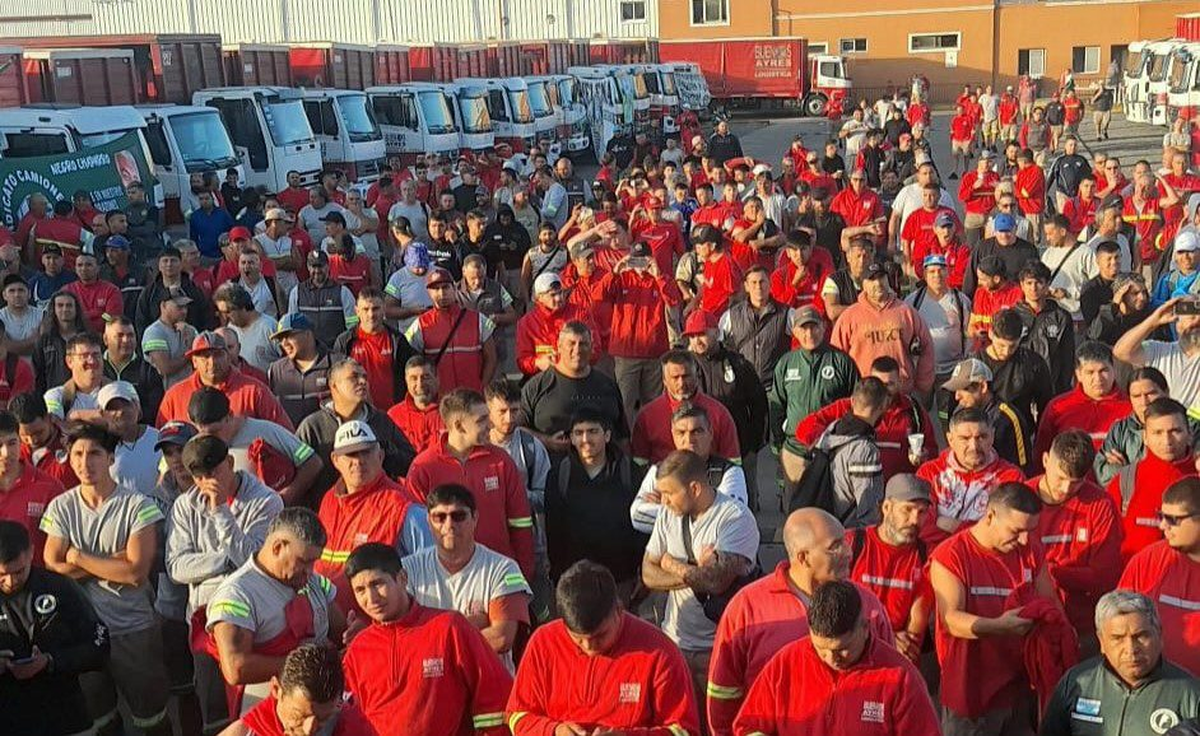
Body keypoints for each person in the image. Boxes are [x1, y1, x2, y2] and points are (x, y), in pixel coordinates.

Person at [705, 508, 893, 735]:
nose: (848, 553)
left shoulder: (868, 605)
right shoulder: (747, 607)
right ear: (803, 557)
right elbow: (722, 694)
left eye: (845, 542)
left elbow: (890, 677)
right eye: (835, 546)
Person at [41, 422, 172, 736]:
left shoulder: (137, 505)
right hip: (82, 631)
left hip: (133, 628)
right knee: (100, 720)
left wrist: (78, 557)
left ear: (111, 458)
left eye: (95, 454)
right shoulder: (61, 506)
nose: (86, 463)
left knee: (151, 719)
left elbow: (136, 571)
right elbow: (52, 563)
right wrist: (113, 561)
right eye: (78, 454)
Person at [166, 433, 283, 731]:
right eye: (201, 477)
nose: (209, 483)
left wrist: (220, 511)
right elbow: (177, 567)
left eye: (215, 472)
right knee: (214, 711)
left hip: (255, 621)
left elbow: (254, 560)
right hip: (205, 620)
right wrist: (223, 561)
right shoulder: (184, 505)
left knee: (254, 711)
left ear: (230, 462)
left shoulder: (266, 501)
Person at [507, 559, 699, 735]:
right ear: (563, 623)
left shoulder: (659, 652)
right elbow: (517, 717)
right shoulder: (544, 643)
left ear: (619, 609)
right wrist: (554, 731)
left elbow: (684, 730)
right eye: (578, 639)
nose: (590, 647)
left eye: (600, 636)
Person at [341, 543, 513, 736]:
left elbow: (496, 694)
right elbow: (345, 718)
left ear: (403, 578)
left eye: (377, 584)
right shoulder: (358, 649)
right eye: (360, 590)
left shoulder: (449, 628)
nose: (371, 598)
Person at [930, 483, 1060, 736]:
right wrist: (1000, 626)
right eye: (1016, 530)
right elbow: (951, 620)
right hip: (970, 697)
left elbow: (1051, 603)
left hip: (1018, 693)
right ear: (990, 516)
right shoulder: (952, 555)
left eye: (1030, 531)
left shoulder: (1030, 550)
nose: (1023, 539)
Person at [733, 579, 940, 736]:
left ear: (866, 628)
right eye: (821, 648)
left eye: (842, 648)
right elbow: (748, 726)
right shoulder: (785, 664)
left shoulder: (900, 678)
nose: (832, 658)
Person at [642, 450, 759, 724]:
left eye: (669, 493)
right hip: (677, 643)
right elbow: (647, 574)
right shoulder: (669, 514)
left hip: (720, 649)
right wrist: (696, 570)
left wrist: (671, 563)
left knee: (719, 724)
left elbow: (716, 582)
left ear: (694, 488)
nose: (664, 501)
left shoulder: (735, 518)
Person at [205, 508, 345, 715]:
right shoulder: (237, 594)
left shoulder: (313, 580)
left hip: (322, 708)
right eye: (303, 561)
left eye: (314, 561)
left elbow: (342, 633)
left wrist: (357, 635)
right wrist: (308, 667)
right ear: (278, 547)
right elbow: (236, 667)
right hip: (269, 710)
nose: (310, 570)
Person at [405, 388, 534, 580]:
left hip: (498, 574)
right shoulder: (423, 468)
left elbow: (521, 521)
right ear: (459, 425)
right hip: (445, 580)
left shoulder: (501, 460)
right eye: (481, 420)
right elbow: (415, 534)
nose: (490, 424)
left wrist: (523, 574)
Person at [403, 483, 530, 671]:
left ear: (475, 518)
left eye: (458, 516)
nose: (449, 525)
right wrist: (473, 624)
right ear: (429, 522)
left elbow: (501, 638)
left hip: (488, 686)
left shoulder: (504, 569)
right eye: (440, 517)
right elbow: (401, 636)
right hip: (431, 686)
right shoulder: (407, 569)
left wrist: (431, 636)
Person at [0, 520, 111, 736]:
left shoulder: (60, 587)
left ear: (32, 552)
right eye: (1, 575)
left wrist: (51, 661)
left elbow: (100, 645)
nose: (10, 581)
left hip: (65, 716)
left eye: (19, 572)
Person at [1040, 590, 1200, 736]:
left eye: (1141, 636)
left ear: (1159, 635)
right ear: (1101, 641)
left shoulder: (1190, 694)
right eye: (1118, 638)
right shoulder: (1077, 683)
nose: (1131, 649)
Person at [315, 420, 431, 613]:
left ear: (380, 455)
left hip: (378, 628)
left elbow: (427, 579)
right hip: (329, 626)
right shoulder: (329, 500)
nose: (359, 461)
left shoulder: (404, 507)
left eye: (366, 452)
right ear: (335, 460)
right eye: (351, 454)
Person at [1025, 430, 1122, 643]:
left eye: (1076, 482)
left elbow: (1104, 577)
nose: (1066, 488)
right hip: (1028, 622)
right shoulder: (1020, 499)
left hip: (1083, 624)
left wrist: (1050, 572)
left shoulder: (1100, 504)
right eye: (1060, 478)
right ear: (1045, 460)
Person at [295, 359, 416, 503]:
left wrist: (381, 450)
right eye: (354, 377)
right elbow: (295, 471)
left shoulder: (381, 421)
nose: (362, 381)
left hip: (377, 511)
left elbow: (410, 465)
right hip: (327, 513)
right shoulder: (313, 427)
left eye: (365, 377)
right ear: (334, 386)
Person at [847, 474, 936, 660]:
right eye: (908, 509)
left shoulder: (925, 557)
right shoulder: (852, 544)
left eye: (922, 512)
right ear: (887, 507)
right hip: (850, 654)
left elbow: (914, 637)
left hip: (896, 660)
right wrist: (885, 640)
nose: (914, 520)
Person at [1119, 476, 1200, 679]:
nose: (1163, 526)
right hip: (1157, 690)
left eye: (1173, 519)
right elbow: (1117, 623)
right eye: (1161, 515)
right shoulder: (1147, 561)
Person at [684, 310, 768, 504]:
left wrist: (754, 444)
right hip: (699, 451)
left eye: (702, 334)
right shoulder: (684, 368)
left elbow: (758, 404)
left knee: (742, 504)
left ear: (716, 332)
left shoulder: (738, 363)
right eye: (692, 336)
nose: (697, 340)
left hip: (739, 448)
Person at [917, 408, 1025, 547]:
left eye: (981, 437)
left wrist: (953, 525)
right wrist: (978, 530)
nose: (974, 446)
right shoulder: (929, 472)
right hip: (936, 560)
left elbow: (1005, 532)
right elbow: (921, 527)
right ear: (950, 439)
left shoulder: (1011, 477)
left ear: (992, 436)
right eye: (965, 438)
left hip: (986, 563)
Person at [218, 643, 376, 736]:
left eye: (323, 719)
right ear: (276, 689)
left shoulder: (354, 724)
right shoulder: (245, 733)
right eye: (299, 715)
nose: (309, 730)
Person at [1108, 398, 1194, 560]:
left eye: (1175, 431)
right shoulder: (1126, 480)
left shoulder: (1196, 477)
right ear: (1145, 438)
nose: (1167, 441)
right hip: (1135, 581)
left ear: (1189, 434)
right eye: (1158, 433)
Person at [832, 261, 935, 396]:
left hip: (900, 391)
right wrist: (841, 389)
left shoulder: (906, 312)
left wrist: (923, 382)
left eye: (881, 278)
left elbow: (926, 345)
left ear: (888, 280)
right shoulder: (849, 317)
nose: (878, 283)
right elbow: (836, 357)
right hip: (865, 394)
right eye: (871, 279)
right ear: (863, 284)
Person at [157, 331, 293, 429]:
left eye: (217, 355)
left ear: (228, 357)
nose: (212, 362)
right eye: (205, 356)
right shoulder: (174, 396)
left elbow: (285, 433)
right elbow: (161, 444)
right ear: (194, 362)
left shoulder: (254, 391)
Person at [631, 350, 741, 467]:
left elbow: (733, 463)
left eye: (686, 376)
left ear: (696, 376)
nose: (681, 383)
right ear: (664, 381)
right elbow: (639, 465)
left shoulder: (719, 414)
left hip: (709, 481)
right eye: (675, 377)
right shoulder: (647, 416)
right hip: (662, 482)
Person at [804, 377, 889, 526]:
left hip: (825, 522)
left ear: (852, 401)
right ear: (882, 406)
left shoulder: (832, 430)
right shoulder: (864, 449)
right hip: (849, 531)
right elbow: (867, 504)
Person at [1032, 342, 1131, 467]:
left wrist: (1129, 464)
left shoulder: (1131, 407)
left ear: (1114, 370)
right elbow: (1041, 453)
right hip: (1070, 483)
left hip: (1118, 481)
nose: (1098, 379)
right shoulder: (1058, 407)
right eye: (1090, 372)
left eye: (1104, 370)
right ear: (1079, 374)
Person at [404, 267, 496, 393]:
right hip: (439, 400)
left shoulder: (478, 320)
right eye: (436, 289)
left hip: (473, 397)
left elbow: (491, 357)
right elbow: (409, 363)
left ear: (454, 288)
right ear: (429, 292)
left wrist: (482, 387)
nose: (442, 293)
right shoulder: (420, 325)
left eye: (446, 287)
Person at [332, 288, 416, 412]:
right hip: (356, 415)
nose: (371, 314)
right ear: (357, 311)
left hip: (391, 415)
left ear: (383, 309)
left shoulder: (397, 340)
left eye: (376, 309)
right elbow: (335, 379)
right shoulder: (345, 341)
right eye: (365, 309)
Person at [974, 308, 1056, 428]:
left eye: (1012, 346)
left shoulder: (1033, 363)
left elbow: (1046, 405)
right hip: (983, 432)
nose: (1006, 352)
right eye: (1001, 345)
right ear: (991, 334)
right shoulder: (975, 365)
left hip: (1021, 433)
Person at [1115, 297, 1200, 410]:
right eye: (1192, 317)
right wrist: (1154, 321)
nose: (1197, 322)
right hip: (1164, 422)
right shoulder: (1158, 350)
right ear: (1177, 324)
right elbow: (1121, 352)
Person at [1095, 367, 1176, 485]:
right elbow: (1102, 472)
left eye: (1150, 393)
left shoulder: (1188, 426)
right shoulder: (1120, 430)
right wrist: (1129, 475)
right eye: (1137, 396)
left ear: (1166, 392)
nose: (1144, 402)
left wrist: (1127, 470)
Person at [266, 313, 340, 427]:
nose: (284, 343)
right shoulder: (275, 370)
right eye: (280, 339)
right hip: (291, 441)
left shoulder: (337, 364)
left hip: (328, 441)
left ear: (308, 334)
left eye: (289, 335)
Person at [287, 249, 356, 351]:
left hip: (335, 353)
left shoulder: (343, 292)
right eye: (313, 266)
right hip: (308, 354)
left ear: (328, 266)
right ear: (308, 267)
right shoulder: (297, 292)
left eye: (321, 266)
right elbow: (292, 326)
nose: (317, 270)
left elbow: (353, 326)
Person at [386, 356, 446, 457]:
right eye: (413, 378)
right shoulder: (394, 416)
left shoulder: (451, 412)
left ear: (437, 378)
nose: (420, 384)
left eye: (426, 377)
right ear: (406, 382)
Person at [43, 333, 108, 423]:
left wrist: (75, 415)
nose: (92, 361)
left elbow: (123, 422)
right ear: (69, 361)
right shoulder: (56, 396)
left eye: (96, 355)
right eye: (84, 356)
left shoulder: (119, 390)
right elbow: (56, 427)